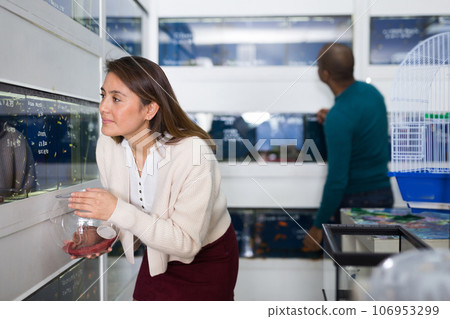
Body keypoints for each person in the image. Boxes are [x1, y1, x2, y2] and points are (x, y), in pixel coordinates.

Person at [68, 56, 239, 300]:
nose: (103, 107)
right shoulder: (108, 146)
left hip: (207, 256)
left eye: (116, 99)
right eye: (103, 95)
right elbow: (126, 210)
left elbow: (186, 243)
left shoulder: (192, 154)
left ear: (150, 109)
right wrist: (103, 235)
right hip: (159, 250)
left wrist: (114, 209)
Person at [303, 43, 393, 252]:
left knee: (354, 275)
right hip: (383, 195)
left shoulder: (339, 117)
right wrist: (335, 120)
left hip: (356, 202)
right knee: (377, 267)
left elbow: (337, 180)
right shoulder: (372, 93)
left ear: (325, 74)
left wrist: (318, 226)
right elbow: (364, 130)